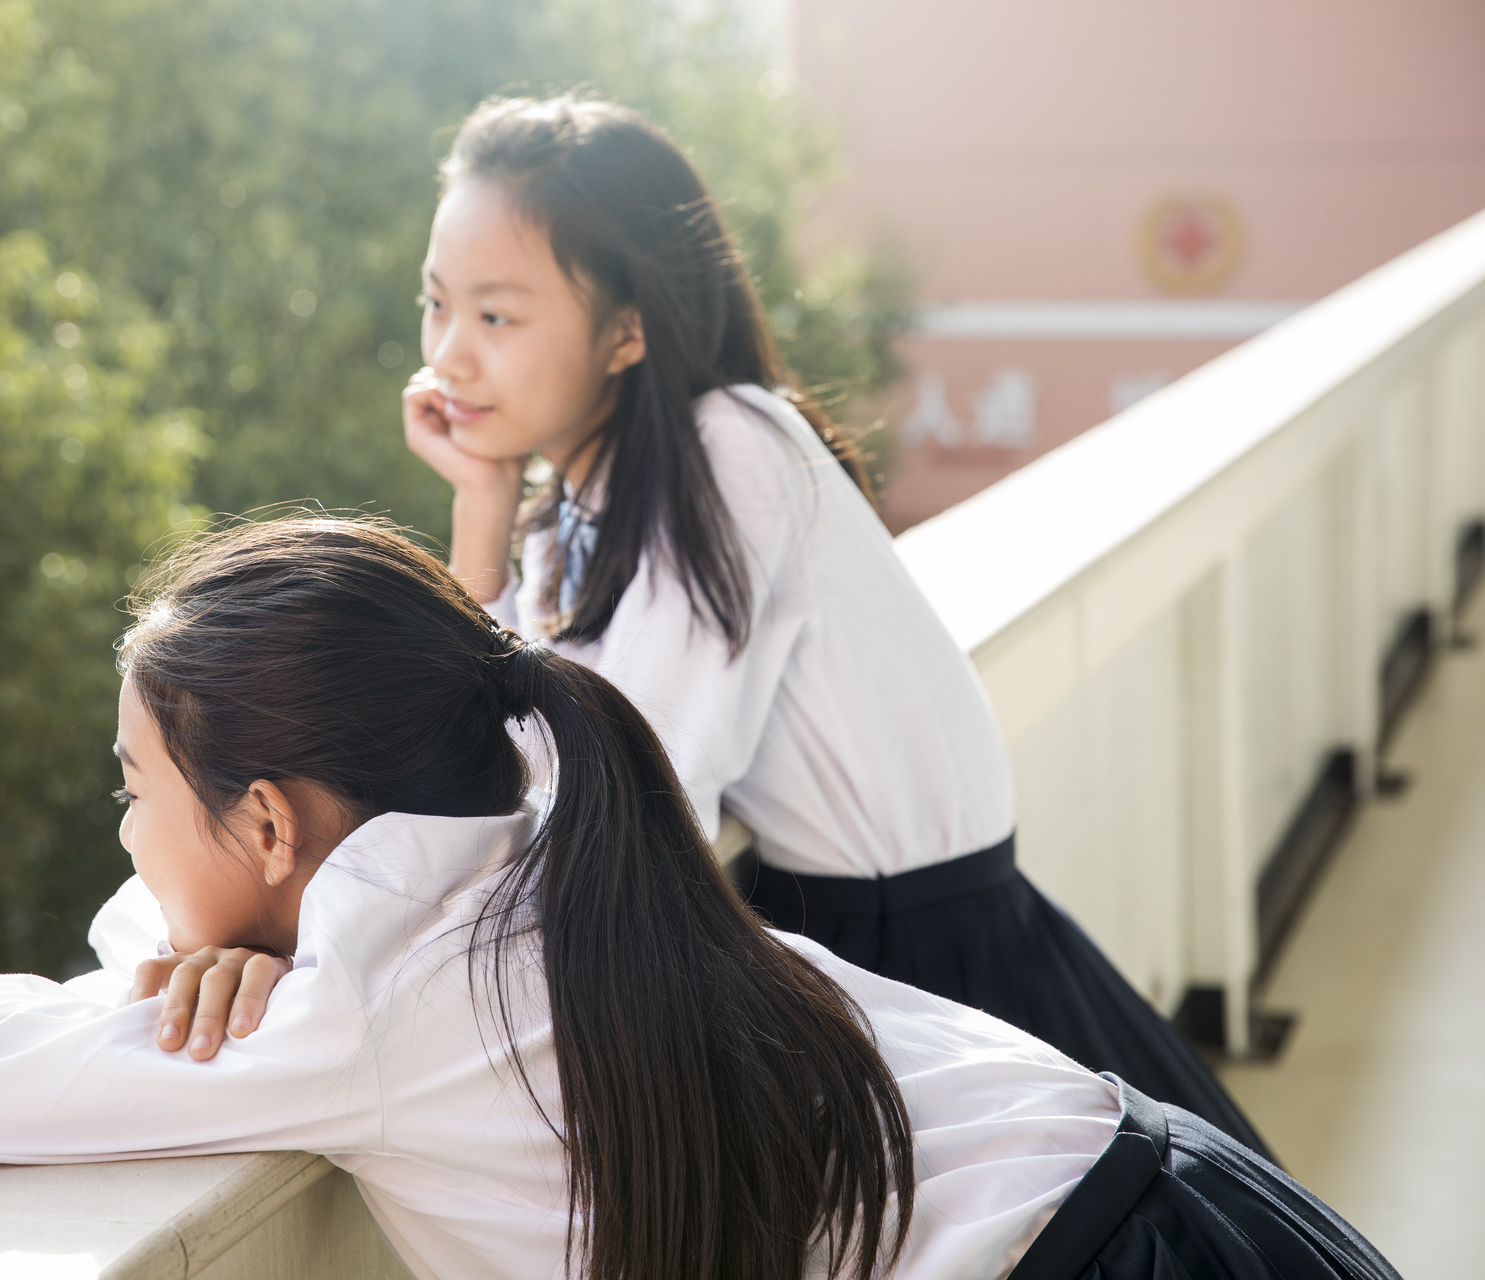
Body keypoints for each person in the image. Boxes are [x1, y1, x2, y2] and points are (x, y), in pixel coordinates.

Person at [0, 519, 1397, 1280]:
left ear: (262, 822)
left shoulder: (354, 1005)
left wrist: (163, 975)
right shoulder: (536, 842)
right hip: (1183, 1202)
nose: (120, 831)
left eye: (130, 787)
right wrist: (208, 939)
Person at [397, 93, 1271, 1157]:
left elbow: (623, 779)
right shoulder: (581, 504)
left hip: (926, 956)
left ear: (628, 327)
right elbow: (515, 764)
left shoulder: (731, 451)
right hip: (843, 934)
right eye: (435, 305)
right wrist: (481, 509)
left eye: (495, 315)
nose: (449, 355)